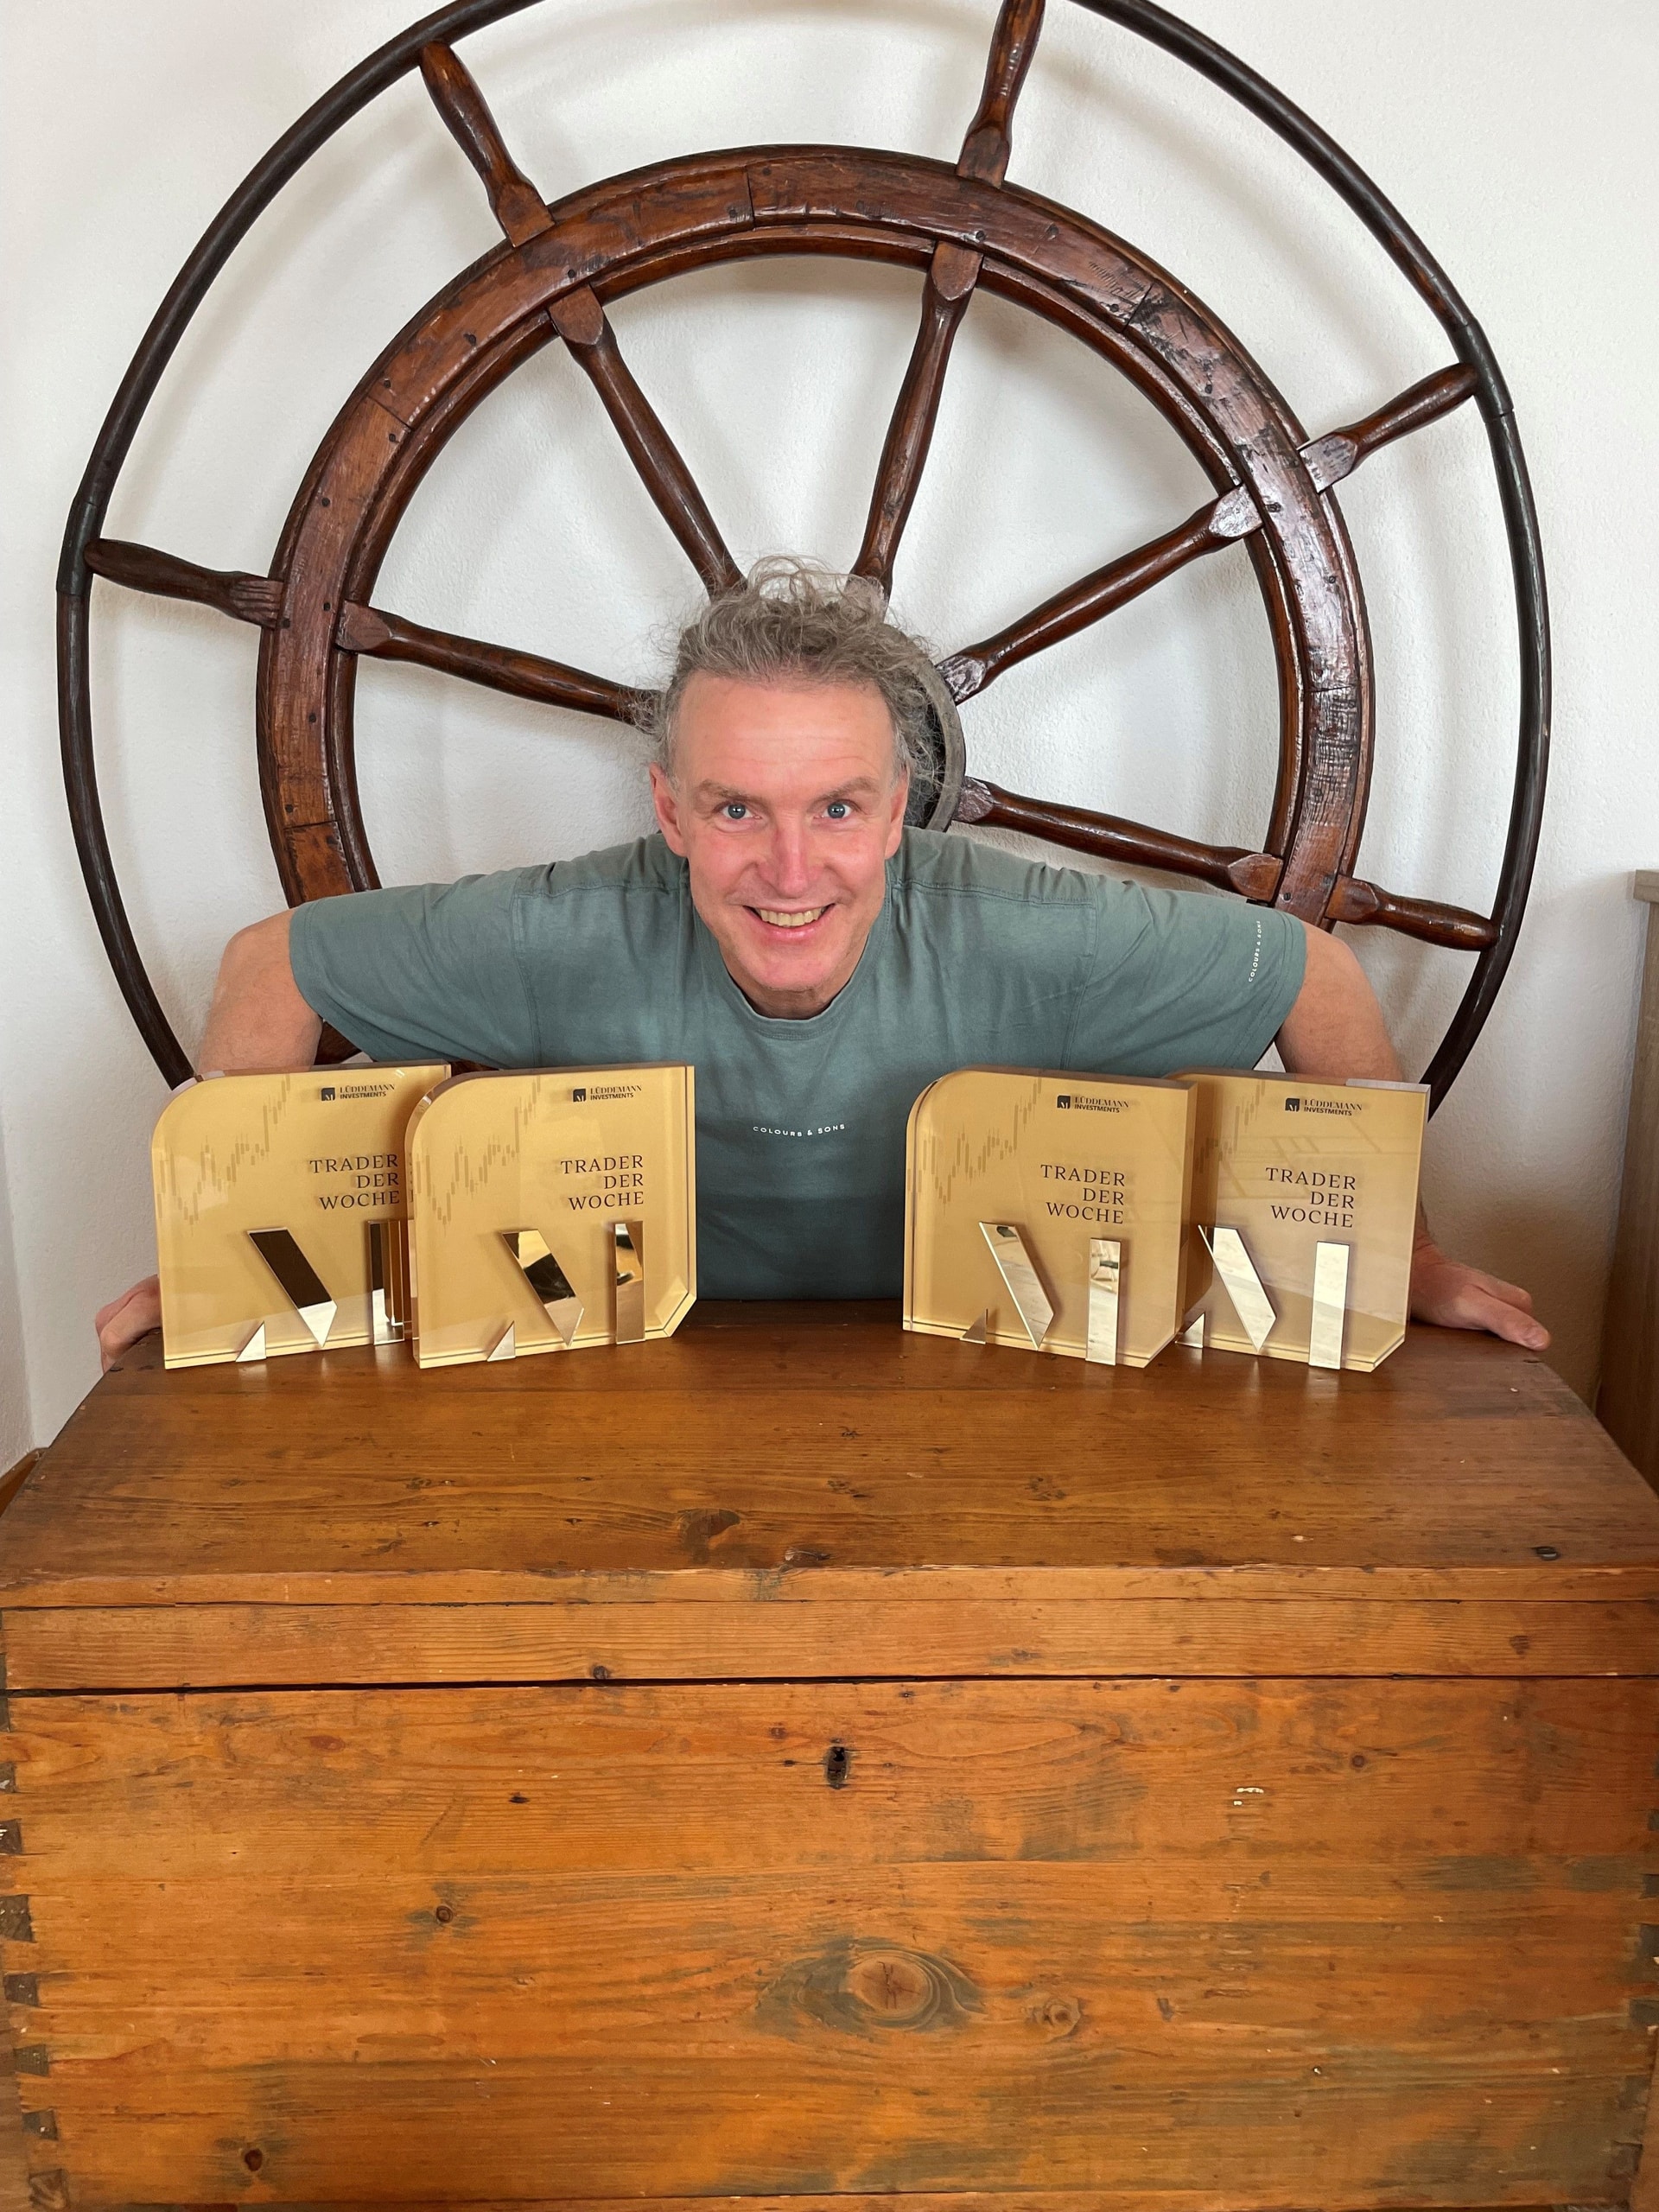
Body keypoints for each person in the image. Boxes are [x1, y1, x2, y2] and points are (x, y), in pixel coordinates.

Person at [95, 560, 1547, 1367]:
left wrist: (1403, 1260)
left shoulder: (1031, 934)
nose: (791, 872)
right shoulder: (557, 931)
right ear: (669, 811)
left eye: (838, 810)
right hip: (629, 1410)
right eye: (737, 810)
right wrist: (224, 1253)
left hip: (975, 1409)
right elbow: (275, 966)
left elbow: (1312, 979)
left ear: (901, 812)